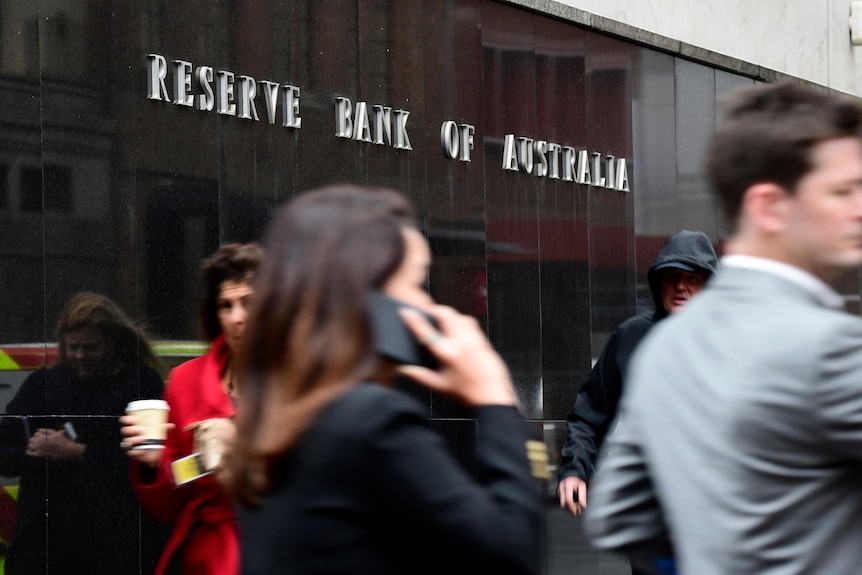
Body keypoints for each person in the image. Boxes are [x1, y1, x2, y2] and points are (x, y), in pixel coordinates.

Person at [583, 82, 862, 575]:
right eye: (841, 191)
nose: (858, 208)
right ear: (770, 206)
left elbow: (620, 514)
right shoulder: (832, 348)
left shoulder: (665, 348)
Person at [221, 184, 544, 575]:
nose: (430, 306)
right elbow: (511, 550)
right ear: (366, 300)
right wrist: (494, 397)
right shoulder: (370, 420)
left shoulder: (277, 416)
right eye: (415, 285)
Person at [557, 230, 717, 573]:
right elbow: (588, 415)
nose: (681, 287)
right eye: (672, 277)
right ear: (658, 284)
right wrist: (575, 470)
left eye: (692, 278)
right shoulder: (630, 337)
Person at [0, 291, 168, 575]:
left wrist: (76, 452)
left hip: (114, 551)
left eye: (91, 348)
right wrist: (34, 454)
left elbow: (149, 465)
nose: (80, 356)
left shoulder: (140, 385)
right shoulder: (41, 385)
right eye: (73, 347)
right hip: (42, 550)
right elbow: (4, 450)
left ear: (112, 342)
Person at [120, 242, 262, 575]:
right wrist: (157, 464)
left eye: (248, 303)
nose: (236, 317)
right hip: (211, 557)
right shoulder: (186, 381)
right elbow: (169, 504)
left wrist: (233, 452)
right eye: (225, 305)